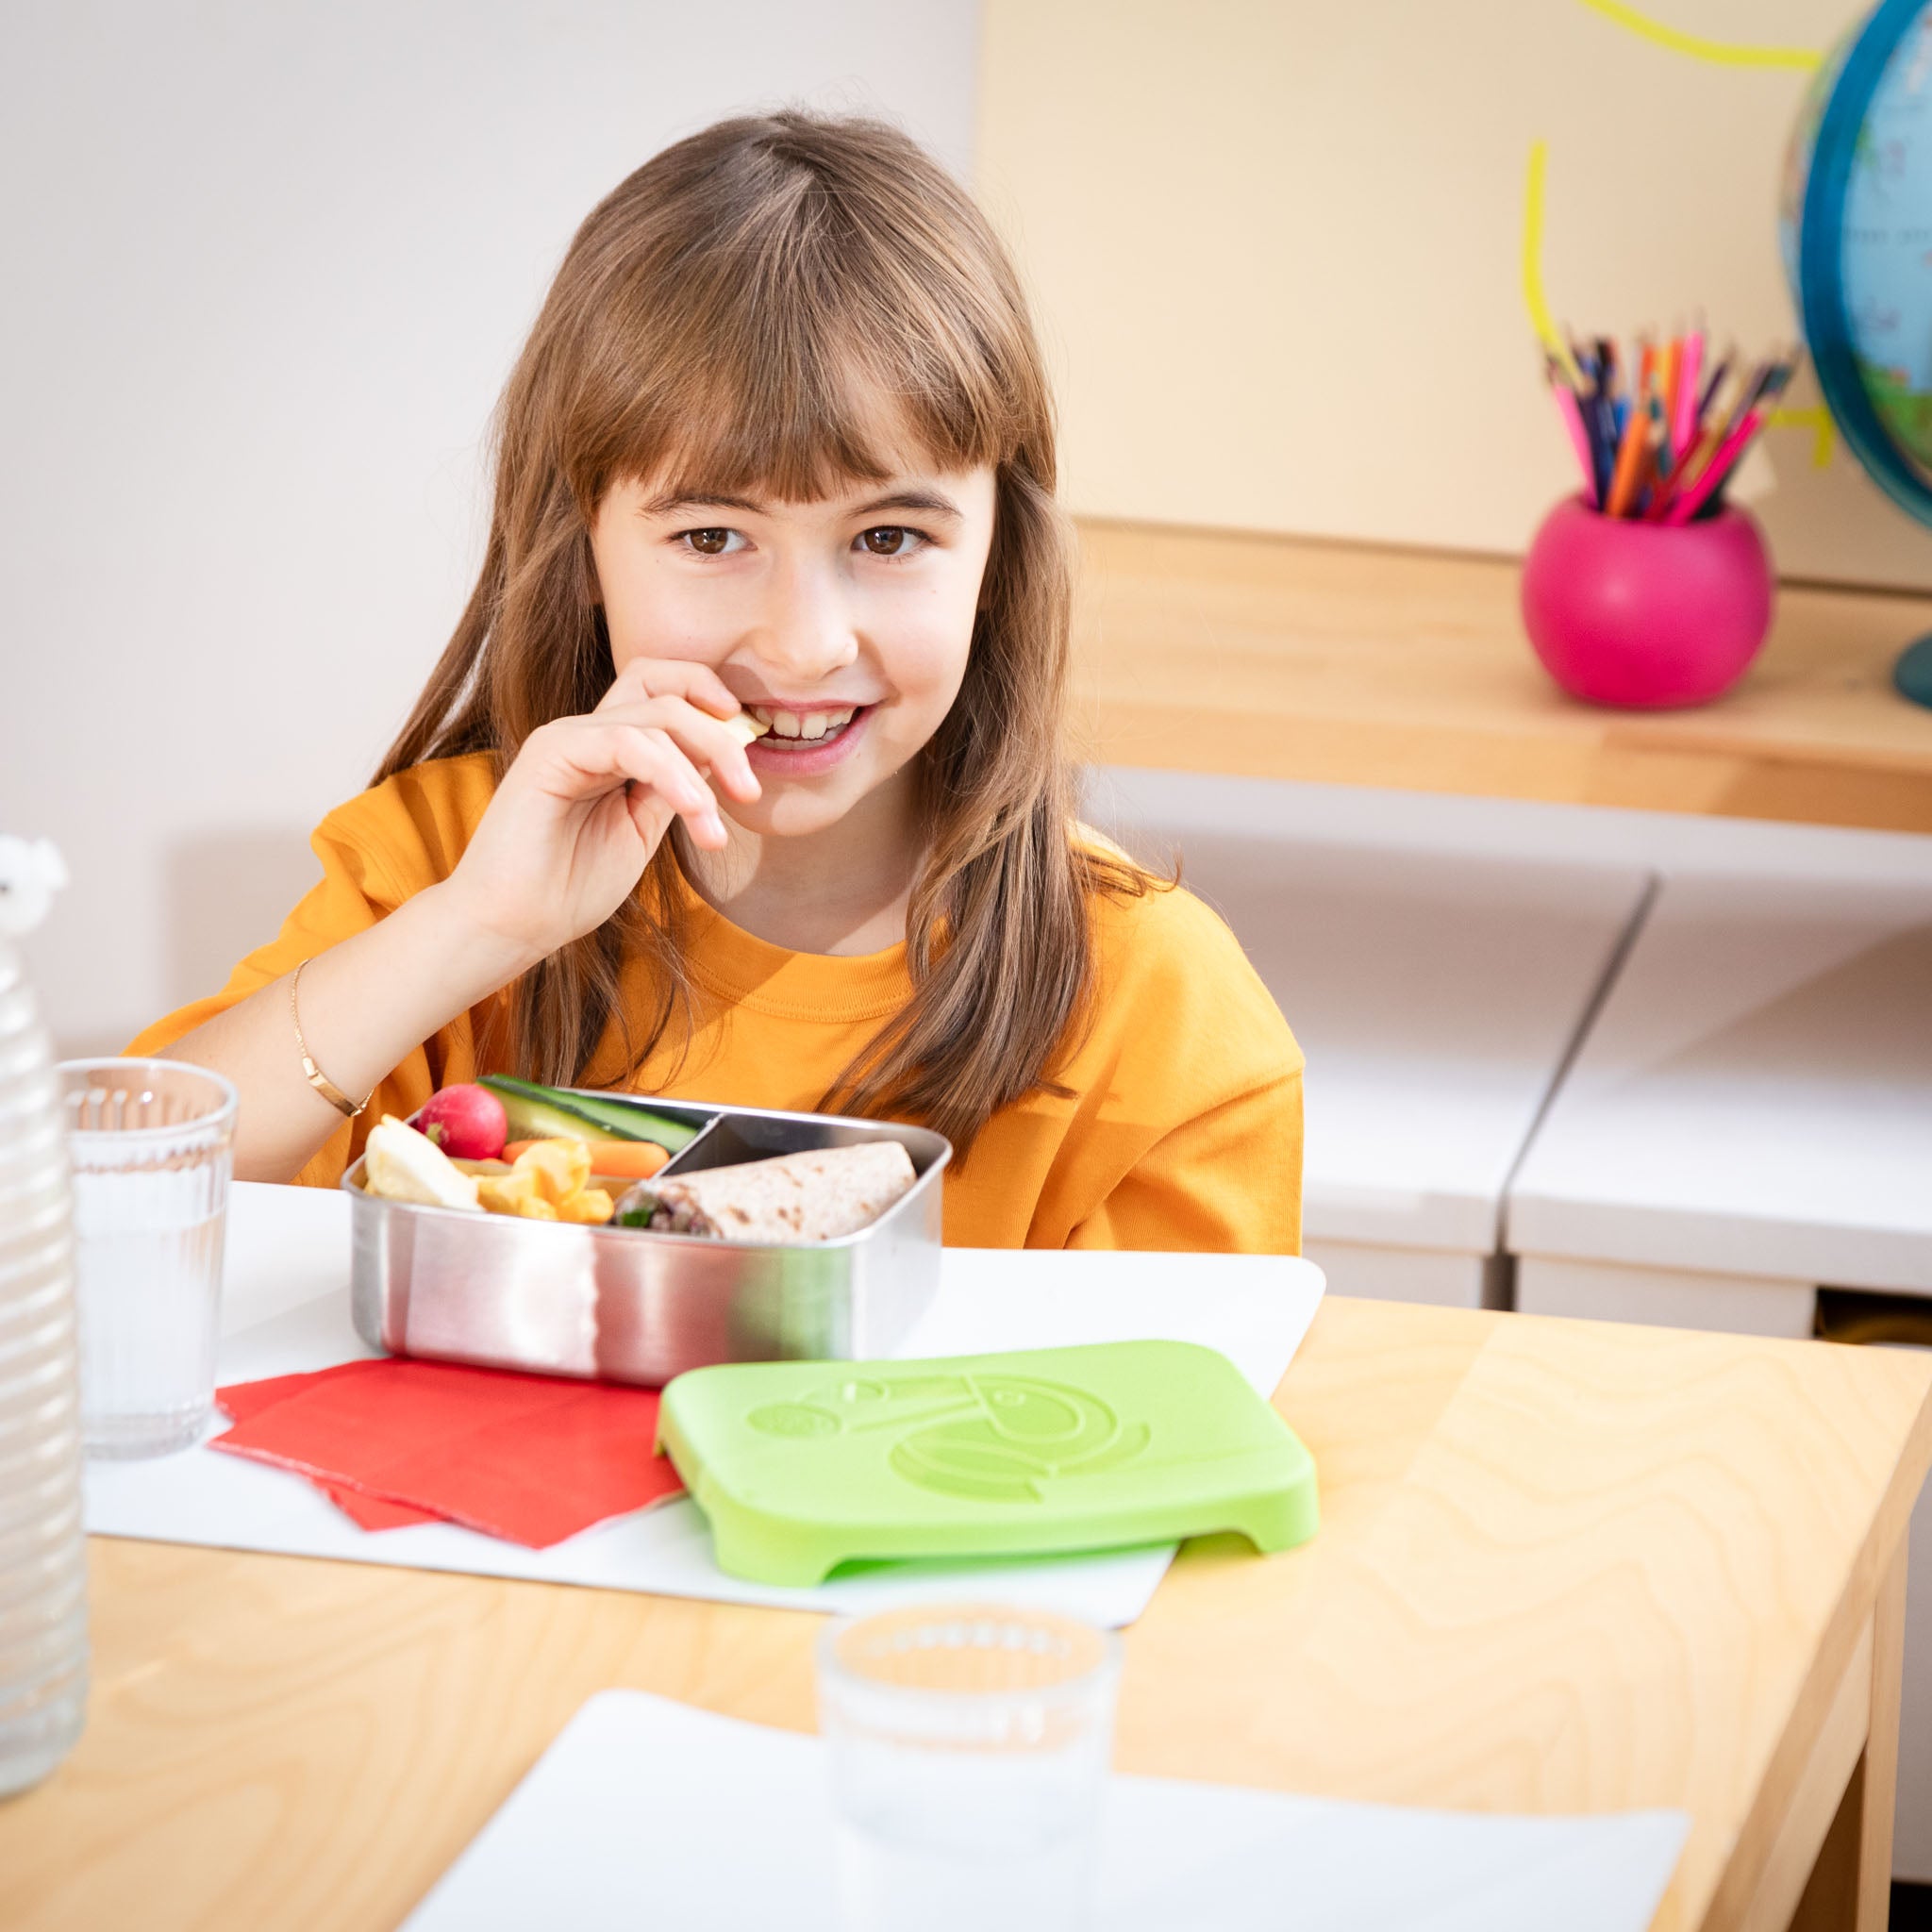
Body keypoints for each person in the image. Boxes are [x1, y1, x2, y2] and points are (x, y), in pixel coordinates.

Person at [131, 111, 1304, 1252]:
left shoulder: (1160, 1011)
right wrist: (478, 927)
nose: (802, 645)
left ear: (999, 558)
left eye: (887, 539)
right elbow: (111, 1194)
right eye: (710, 537)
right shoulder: (444, 863)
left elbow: (1174, 1429)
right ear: (582, 544)